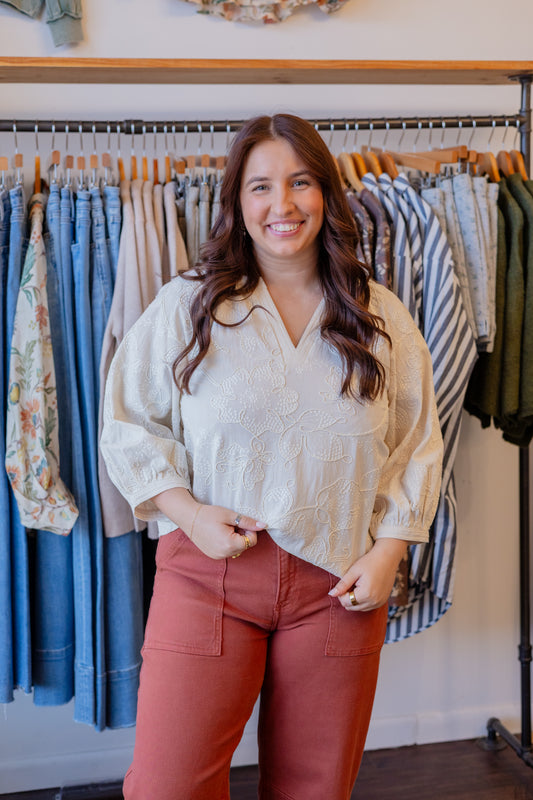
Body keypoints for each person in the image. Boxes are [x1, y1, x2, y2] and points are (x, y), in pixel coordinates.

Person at [100, 113, 444, 800]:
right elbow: (128, 424)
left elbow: (415, 443)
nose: (281, 205)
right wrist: (188, 513)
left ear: (326, 194)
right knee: (166, 786)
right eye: (260, 186)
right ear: (236, 201)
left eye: (300, 182)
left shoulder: (379, 315)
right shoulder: (187, 306)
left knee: (314, 788)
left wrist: (387, 554)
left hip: (337, 587)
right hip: (207, 578)